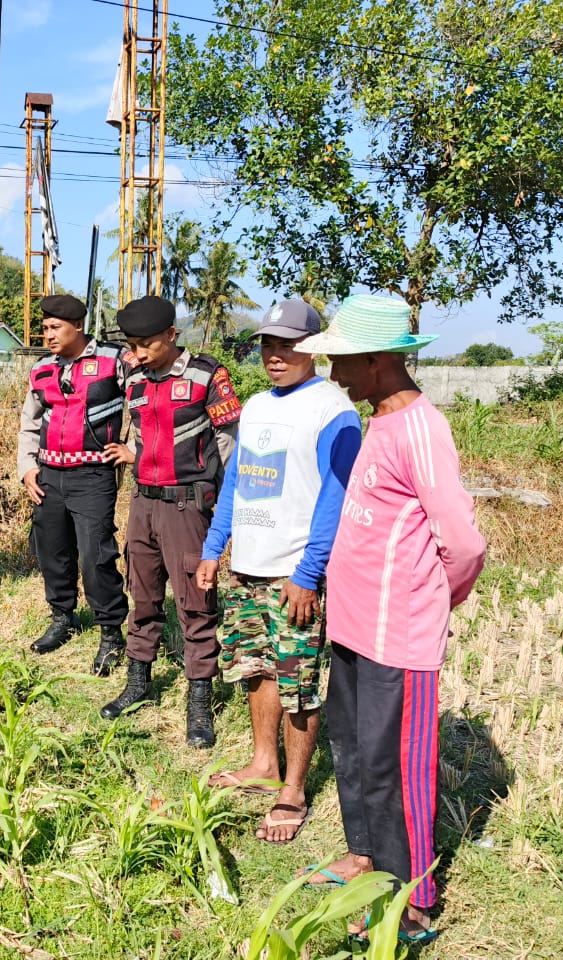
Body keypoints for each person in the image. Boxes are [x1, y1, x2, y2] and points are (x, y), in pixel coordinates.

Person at [292, 294, 486, 945]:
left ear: (377, 360)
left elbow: (462, 543)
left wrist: (436, 599)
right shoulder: (376, 419)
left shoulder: (421, 428)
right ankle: (365, 856)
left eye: (343, 361)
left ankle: (412, 897)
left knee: (395, 766)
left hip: (397, 634)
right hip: (351, 626)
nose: (334, 373)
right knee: (353, 749)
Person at [194, 299, 362, 843]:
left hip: (294, 574)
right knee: (256, 669)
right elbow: (237, 484)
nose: (275, 354)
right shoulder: (258, 407)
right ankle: (264, 764)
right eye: (268, 343)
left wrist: (309, 573)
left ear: (312, 348)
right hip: (247, 568)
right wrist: (214, 548)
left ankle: (293, 787)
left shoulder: (333, 411)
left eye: (288, 344)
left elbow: (334, 500)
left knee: (299, 682)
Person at [99, 295, 243, 748]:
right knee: (141, 595)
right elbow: (142, 435)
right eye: (132, 346)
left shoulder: (206, 375)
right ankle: (138, 681)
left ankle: (199, 698)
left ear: (171, 336)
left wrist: (208, 494)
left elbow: (228, 442)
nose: (137, 355)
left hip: (187, 506)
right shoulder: (135, 380)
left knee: (196, 604)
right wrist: (137, 457)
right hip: (143, 502)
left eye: (145, 345)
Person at [18, 294, 133, 675]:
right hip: (49, 475)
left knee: (95, 555)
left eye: (55, 328)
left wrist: (133, 449)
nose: (48, 335)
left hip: (93, 477)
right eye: (45, 328)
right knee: (53, 551)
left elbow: (147, 401)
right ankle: (62, 617)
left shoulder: (114, 361)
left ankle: (110, 632)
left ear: (78, 327)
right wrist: (26, 468)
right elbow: (30, 422)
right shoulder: (41, 369)